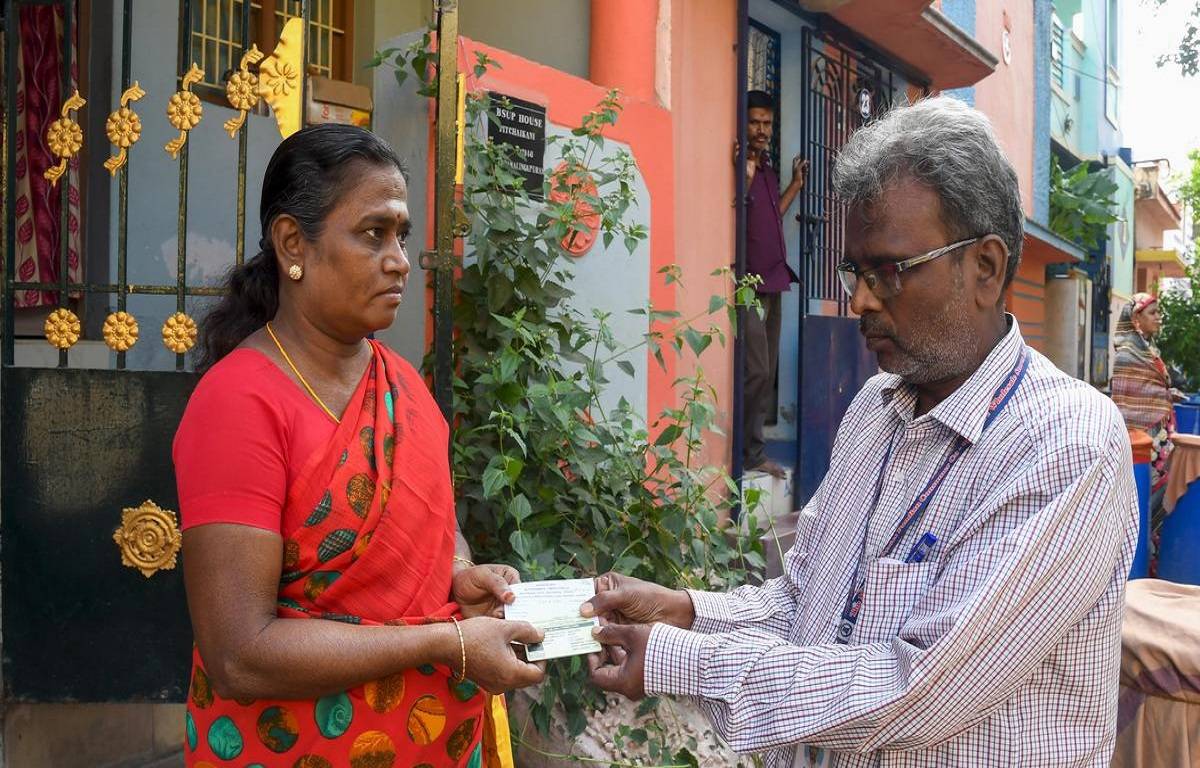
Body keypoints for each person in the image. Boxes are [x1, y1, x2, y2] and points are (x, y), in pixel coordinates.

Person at [582, 97, 1138, 767]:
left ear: (986, 269)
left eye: (890, 271)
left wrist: (685, 661)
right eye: (855, 271)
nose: (861, 300)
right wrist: (687, 612)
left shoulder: (1066, 443)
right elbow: (805, 599)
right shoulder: (876, 408)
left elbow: (922, 687)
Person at [175, 125, 544, 767]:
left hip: (434, 740)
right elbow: (240, 654)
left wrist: (461, 575)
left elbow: (438, 528)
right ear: (294, 242)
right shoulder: (238, 404)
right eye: (373, 234)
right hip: (293, 748)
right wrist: (445, 643)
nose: (399, 258)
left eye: (401, 234)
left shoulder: (400, 384)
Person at [742, 90, 808, 477]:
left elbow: (771, 214)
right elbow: (736, 208)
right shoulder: (743, 164)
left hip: (774, 278)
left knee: (767, 370)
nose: (762, 130)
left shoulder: (764, 166)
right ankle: (748, 453)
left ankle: (754, 450)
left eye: (767, 123)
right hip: (747, 282)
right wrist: (744, 176)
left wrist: (796, 185)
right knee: (756, 370)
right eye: (755, 122)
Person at [1111, 292, 1181, 561]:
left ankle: (1151, 559)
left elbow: (1152, 388)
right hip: (1143, 443)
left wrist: (1167, 394)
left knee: (1162, 499)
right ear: (1136, 318)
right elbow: (1126, 400)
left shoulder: (1148, 351)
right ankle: (1136, 558)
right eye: (1152, 313)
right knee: (1143, 502)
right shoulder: (1128, 355)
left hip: (1161, 438)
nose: (1158, 318)